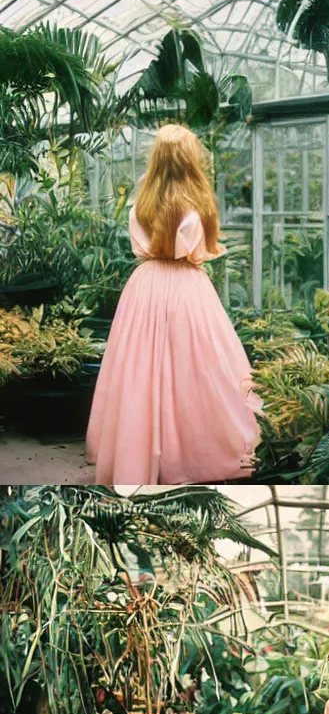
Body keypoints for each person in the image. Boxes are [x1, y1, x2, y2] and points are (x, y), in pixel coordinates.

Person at [87, 123, 261, 485]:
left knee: (139, 369)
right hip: (185, 284)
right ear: (188, 158)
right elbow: (199, 251)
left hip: (146, 285)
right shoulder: (196, 205)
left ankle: (137, 453)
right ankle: (195, 451)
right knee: (197, 368)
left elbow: (142, 243)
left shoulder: (141, 205)